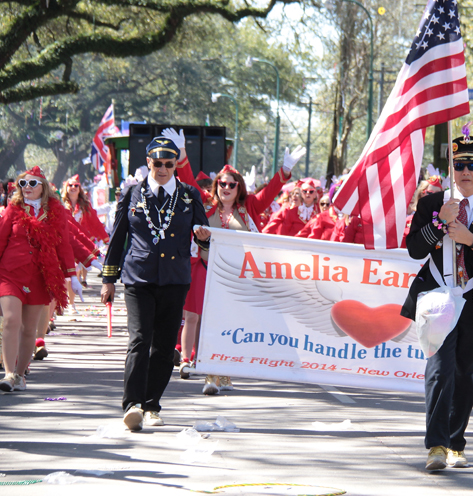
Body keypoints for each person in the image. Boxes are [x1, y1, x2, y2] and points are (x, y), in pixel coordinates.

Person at [401, 133, 473, 471]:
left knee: (466, 374)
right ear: (452, 169)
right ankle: (436, 444)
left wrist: (472, 240)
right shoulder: (431, 203)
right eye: (459, 164)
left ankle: (456, 442)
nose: (465, 170)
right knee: (440, 371)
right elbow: (415, 249)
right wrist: (439, 222)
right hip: (437, 295)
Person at [100, 135, 212, 431]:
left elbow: (205, 236)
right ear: (148, 162)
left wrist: (205, 239)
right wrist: (108, 279)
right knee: (139, 340)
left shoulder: (189, 194)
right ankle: (132, 404)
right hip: (139, 277)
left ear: (176, 165)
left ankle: (152, 405)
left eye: (169, 164)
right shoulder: (133, 193)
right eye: (157, 163)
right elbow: (118, 237)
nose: (163, 169)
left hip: (175, 280)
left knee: (163, 346)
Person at [176, 134, 302, 394]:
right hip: (203, 266)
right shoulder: (206, 203)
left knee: (225, 322)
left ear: (239, 187)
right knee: (192, 316)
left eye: (231, 185)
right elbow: (187, 180)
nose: (225, 188)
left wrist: (284, 171)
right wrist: (181, 153)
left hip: (234, 273)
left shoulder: (249, 207)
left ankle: (221, 371)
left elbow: (268, 194)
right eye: (221, 183)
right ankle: (188, 361)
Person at [0, 167, 76, 392]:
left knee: (28, 329)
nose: (27, 188)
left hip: (40, 276)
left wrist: (72, 275)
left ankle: (21, 373)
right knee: (11, 320)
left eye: (33, 184)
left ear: (43, 187)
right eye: (23, 184)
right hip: (10, 274)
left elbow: (63, 244)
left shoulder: (55, 212)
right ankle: (9, 373)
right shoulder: (12, 210)